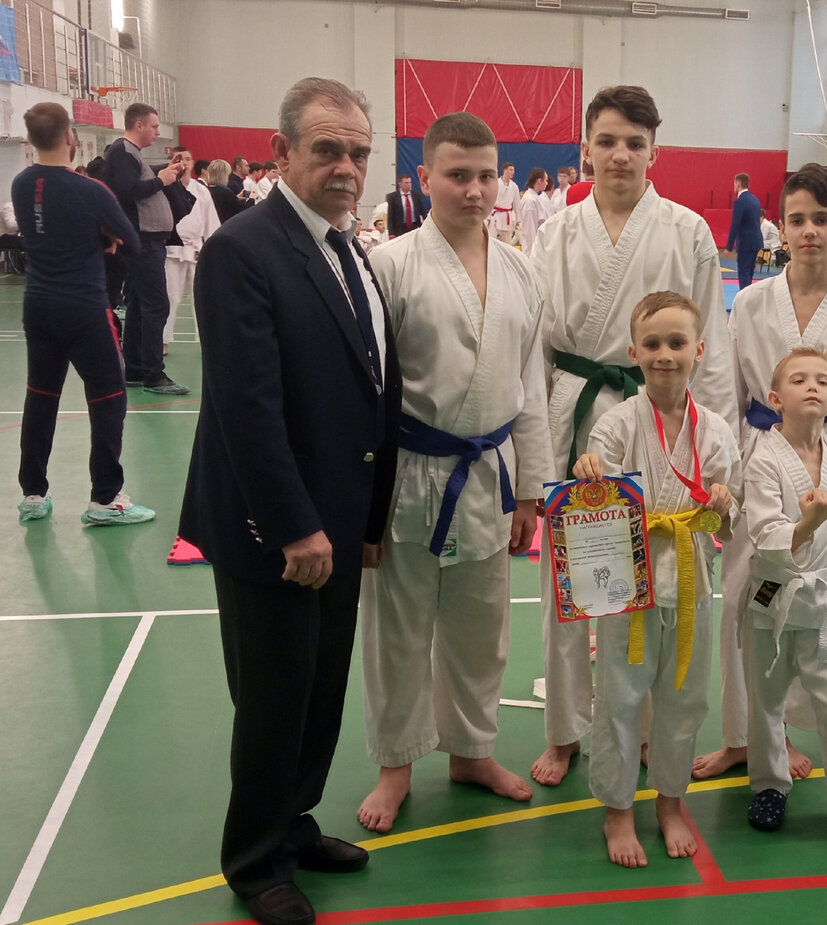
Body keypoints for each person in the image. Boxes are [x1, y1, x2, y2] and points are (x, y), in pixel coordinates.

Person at [178, 77, 398, 925]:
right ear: (282, 154)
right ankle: (254, 858)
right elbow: (246, 404)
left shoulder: (348, 251)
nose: (347, 167)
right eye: (327, 150)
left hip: (337, 520)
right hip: (276, 527)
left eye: (359, 153)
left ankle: (294, 822)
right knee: (273, 698)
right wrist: (293, 525)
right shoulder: (244, 250)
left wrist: (366, 521)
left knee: (319, 691)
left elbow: (373, 386)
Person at [530, 85, 737, 788]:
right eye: (608, 141)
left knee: (654, 579)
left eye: (634, 143)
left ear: (655, 151)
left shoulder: (687, 231)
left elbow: (710, 343)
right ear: (586, 147)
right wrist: (533, 454)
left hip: (663, 412)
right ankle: (564, 730)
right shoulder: (557, 231)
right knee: (571, 579)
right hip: (574, 407)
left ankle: (645, 729)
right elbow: (536, 346)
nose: (620, 154)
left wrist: (711, 455)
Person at [355, 112, 553, 834]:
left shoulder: (523, 271)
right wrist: (365, 504)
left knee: (482, 627)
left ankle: (472, 751)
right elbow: (366, 392)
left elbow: (531, 387)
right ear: (425, 177)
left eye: (485, 176)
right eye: (457, 175)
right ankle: (396, 763)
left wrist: (530, 490)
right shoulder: (389, 265)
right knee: (399, 629)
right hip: (408, 471)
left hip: (490, 472)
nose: (474, 190)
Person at [694, 163, 827, 782]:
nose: (808, 232)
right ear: (781, 224)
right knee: (744, 593)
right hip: (757, 454)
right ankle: (744, 736)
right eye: (797, 219)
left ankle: (786, 730)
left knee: (811, 597)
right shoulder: (751, 301)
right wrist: (723, 474)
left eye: (821, 220)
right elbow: (725, 391)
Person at [572, 290, 738, 868]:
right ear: (633, 353)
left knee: (685, 698)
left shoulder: (715, 429)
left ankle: (671, 800)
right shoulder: (616, 424)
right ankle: (618, 809)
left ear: (700, 349)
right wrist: (588, 472)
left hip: (690, 578)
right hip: (628, 578)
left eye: (676, 342)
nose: (664, 354)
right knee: (619, 697)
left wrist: (723, 503)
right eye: (652, 344)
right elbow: (596, 502)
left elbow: (723, 522)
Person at [741, 347, 827, 850]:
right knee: (765, 702)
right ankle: (769, 785)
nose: (812, 386)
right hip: (772, 595)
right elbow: (764, 534)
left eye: (822, 380)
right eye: (798, 380)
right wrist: (809, 525)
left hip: (824, 599)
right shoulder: (762, 458)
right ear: (776, 399)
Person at [14, 102, 154, 526]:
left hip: (38, 307)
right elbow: (132, 242)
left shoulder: (21, 184)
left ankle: (33, 493)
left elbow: (49, 228)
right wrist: (102, 236)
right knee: (109, 398)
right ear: (70, 137)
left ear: (30, 139)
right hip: (84, 309)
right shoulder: (90, 190)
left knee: (41, 396)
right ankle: (105, 498)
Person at [104, 101, 191, 395]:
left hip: (146, 241)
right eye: (153, 126)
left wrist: (164, 172)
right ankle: (154, 374)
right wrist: (160, 180)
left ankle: (135, 368)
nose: (156, 131)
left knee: (141, 306)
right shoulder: (122, 152)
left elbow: (134, 183)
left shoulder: (131, 154)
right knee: (156, 305)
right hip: (143, 242)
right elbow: (128, 191)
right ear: (138, 124)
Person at [164, 147, 220, 354]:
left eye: (188, 159)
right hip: (171, 250)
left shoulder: (202, 190)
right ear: (171, 163)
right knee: (171, 297)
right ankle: (163, 341)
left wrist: (214, 251)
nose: (184, 163)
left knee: (203, 298)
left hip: (197, 249)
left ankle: (209, 341)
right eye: (179, 159)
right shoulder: (165, 188)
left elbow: (211, 223)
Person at [724, 172, 764, 289]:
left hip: (746, 243)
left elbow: (735, 224)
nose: (733, 186)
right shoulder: (755, 200)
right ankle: (748, 295)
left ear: (738, 184)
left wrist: (728, 246)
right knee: (749, 273)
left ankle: (744, 297)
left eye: (734, 183)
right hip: (756, 241)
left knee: (743, 274)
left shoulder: (740, 202)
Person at [206, 158, 250, 225]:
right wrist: (252, 199)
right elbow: (240, 209)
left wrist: (236, 197)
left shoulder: (208, 189)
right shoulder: (226, 190)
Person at [518, 167, 550, 252]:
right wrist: (533, 250)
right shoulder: (530, 200)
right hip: (531, 247)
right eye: (546, 180)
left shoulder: (535, 197)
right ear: (540, 181)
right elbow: (529, 229)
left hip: (539, 242)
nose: (547, 183)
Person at [385, 173, 427, 238]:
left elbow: (423, 211)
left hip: (414, 225)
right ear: (400, 184)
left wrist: (426, 226)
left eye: (410, 182)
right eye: (406, 183)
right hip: (400, 228)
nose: (409, 185)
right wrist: (391, 233)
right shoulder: (392, 197)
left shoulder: (416, 195)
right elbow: (391, 216)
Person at [488, 162, 520, 243]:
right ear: (505, 170)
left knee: (507, 242)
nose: (513, 172)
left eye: (513, 170)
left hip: (507, 216)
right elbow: (489, 200)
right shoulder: (495, 183)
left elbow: (516, 204)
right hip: (495, 215)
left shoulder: (514, 186)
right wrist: (488, 217)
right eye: (511, 170)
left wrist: (518, 219)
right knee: (491, 239)